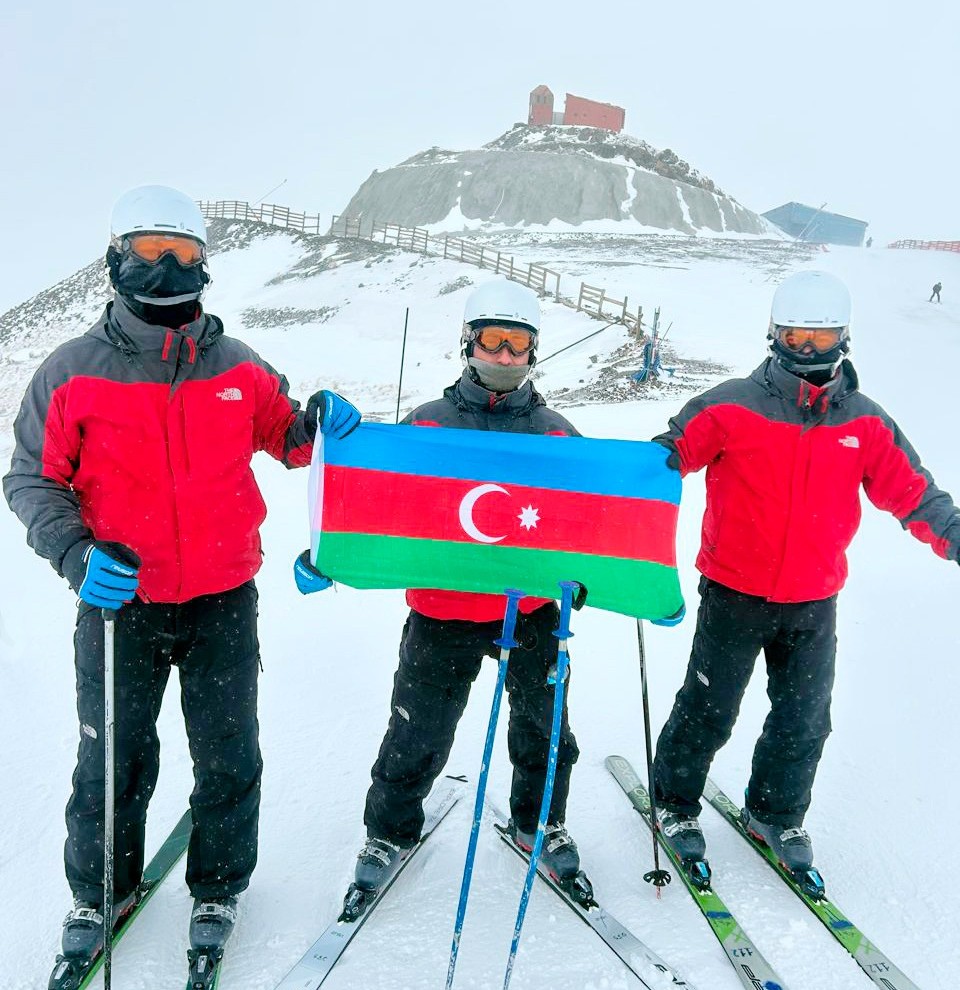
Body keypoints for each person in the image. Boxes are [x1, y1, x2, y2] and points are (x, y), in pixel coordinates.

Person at [3, 185, 361, 969]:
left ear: (206, 262)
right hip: (119, 603)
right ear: (115, 259)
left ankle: (219, 887)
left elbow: (289, 439)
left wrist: (321, 423)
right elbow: (30, 478)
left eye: (185, 252)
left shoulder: (237, 365)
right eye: (149, 250)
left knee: (229, 751)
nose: (167, 266)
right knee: (113, 756)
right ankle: (100, 891)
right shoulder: (71, 371)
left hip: (222, 597)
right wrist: (75, 554)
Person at [650, 270, 960, 873]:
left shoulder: (865, 422)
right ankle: (675, 802)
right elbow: (666, 458)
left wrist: (952, 534)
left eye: (822, 337)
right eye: (796, 335)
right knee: (709, 707)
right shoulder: (730, 405)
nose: (808, 349)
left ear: (844, 338)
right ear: (774, 333)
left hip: (814, 600)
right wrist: (614, 487)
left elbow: (913, 492)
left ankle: (776, 812)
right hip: (734, 591)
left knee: (804, 718)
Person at [296, 279, 584, 889]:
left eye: (518, 343)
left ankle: (540, 822)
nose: (505, 355)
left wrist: (602, 578)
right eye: (493, 340)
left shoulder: (556, 433)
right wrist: (331, 552)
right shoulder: (428, 424)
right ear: (469, 343)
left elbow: (588, 520)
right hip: (441, 609)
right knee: (417, 726)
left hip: (531, 611)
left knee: (544, 724)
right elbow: (384, 504)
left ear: (533, 351)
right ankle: (389, 830)